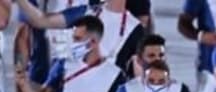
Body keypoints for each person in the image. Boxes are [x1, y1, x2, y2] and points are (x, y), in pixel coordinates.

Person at [15, 0, 145, 73]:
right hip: (72, 91)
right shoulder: (86, 11)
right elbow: (40, 21)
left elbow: (139, 77)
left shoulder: (135, 29)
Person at [112, 34, 196, 92]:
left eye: (161, 55)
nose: (157, 59)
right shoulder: (126, 91)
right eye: (151, 56)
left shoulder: (180, 90)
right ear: (139, 60)